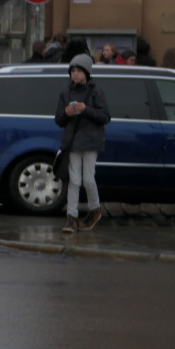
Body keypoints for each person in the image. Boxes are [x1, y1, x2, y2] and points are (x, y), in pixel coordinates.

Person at [55, 53, 111, 235]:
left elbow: (104, 117)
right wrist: (67, 113)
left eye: (78, 71)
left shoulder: (96, 91)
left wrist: (85, 109)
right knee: (74, 181)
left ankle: (95, 210)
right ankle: (71, 217)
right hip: (72, 141)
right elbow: (59, 120)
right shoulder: (65, 92)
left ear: (86, 72)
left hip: (91, 141)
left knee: (88, 178)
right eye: (72, 71)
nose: (75, 74)